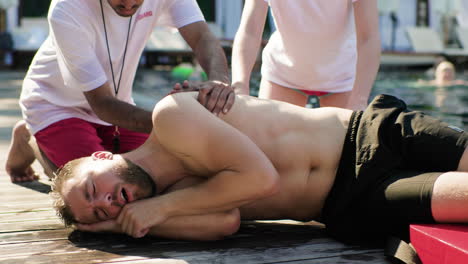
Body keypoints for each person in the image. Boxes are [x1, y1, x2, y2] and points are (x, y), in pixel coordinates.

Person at [51, 92, 468, 244]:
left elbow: (259, 178)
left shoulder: (171, 116)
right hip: (350, 201)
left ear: (101, 157)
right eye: (100, 213)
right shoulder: (169, 204)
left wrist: (155, 210)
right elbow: (225, 223)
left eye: (93, 191)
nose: (107, 203)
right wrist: (125, 222)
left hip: (370, 133)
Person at [5, 0, 234, 183]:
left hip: (117, 105)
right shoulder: (67, 7)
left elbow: (202, 37)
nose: (128, 3)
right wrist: (173, 121)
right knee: (94, 184)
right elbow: (102, 103)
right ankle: (32, 136)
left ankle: (44, 136)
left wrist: (218, 81)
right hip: (57, 104)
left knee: (163, 176)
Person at [231, 0, 381, 109]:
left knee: (341, 149)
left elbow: (368, 38)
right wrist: (240, 85)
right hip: (282, 75)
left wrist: (359, 99)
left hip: (343, 79)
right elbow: (249, 32)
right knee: (268, 148)